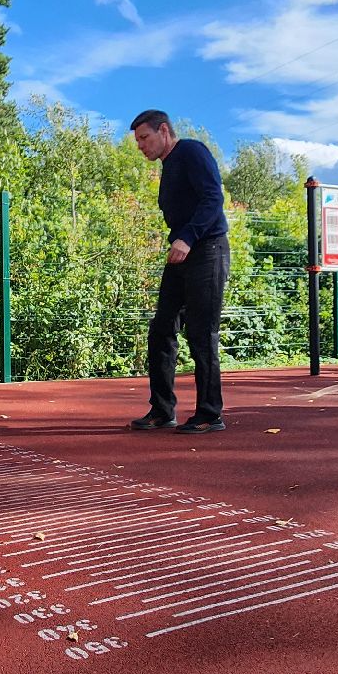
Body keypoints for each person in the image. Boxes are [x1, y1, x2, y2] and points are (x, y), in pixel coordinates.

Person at [127, 109, 230, 434]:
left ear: (164, 131)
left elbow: (213, 198)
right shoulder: (169, 166)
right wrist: (181, 241)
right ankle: (162, 410)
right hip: (182, 253)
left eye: (144, 138)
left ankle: (210, 414)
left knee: (201, 332)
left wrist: (188, 237)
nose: (141, 146)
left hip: (207, 249)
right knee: (161, 330)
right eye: (138, 141)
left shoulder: (191, 151)